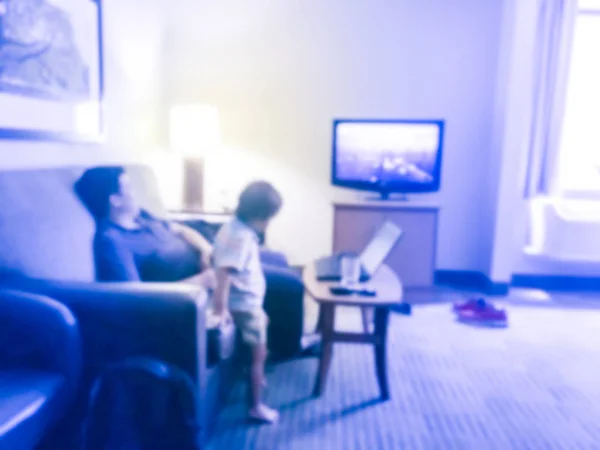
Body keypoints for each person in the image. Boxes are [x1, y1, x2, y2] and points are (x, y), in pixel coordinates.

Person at [211, 181, 282, 424]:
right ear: (258, 215)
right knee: (258, 356)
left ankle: (255, 379)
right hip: (244, 306)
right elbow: (223, 273)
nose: (268, 224)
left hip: (249, 304)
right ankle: (256, 406)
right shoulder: (240, 237)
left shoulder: (233, 228)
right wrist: (220, 309)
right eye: (267, 219)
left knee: (262, 330)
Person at [75, 166, 215, 287]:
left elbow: (181, 230)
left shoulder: (140, 215)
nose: (135, 193)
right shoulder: (113, 241)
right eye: (129, 188)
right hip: (195, 289)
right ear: (115, 200)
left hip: (210, 261)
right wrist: (202, 281)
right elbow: (137, 296)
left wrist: (206, 250)